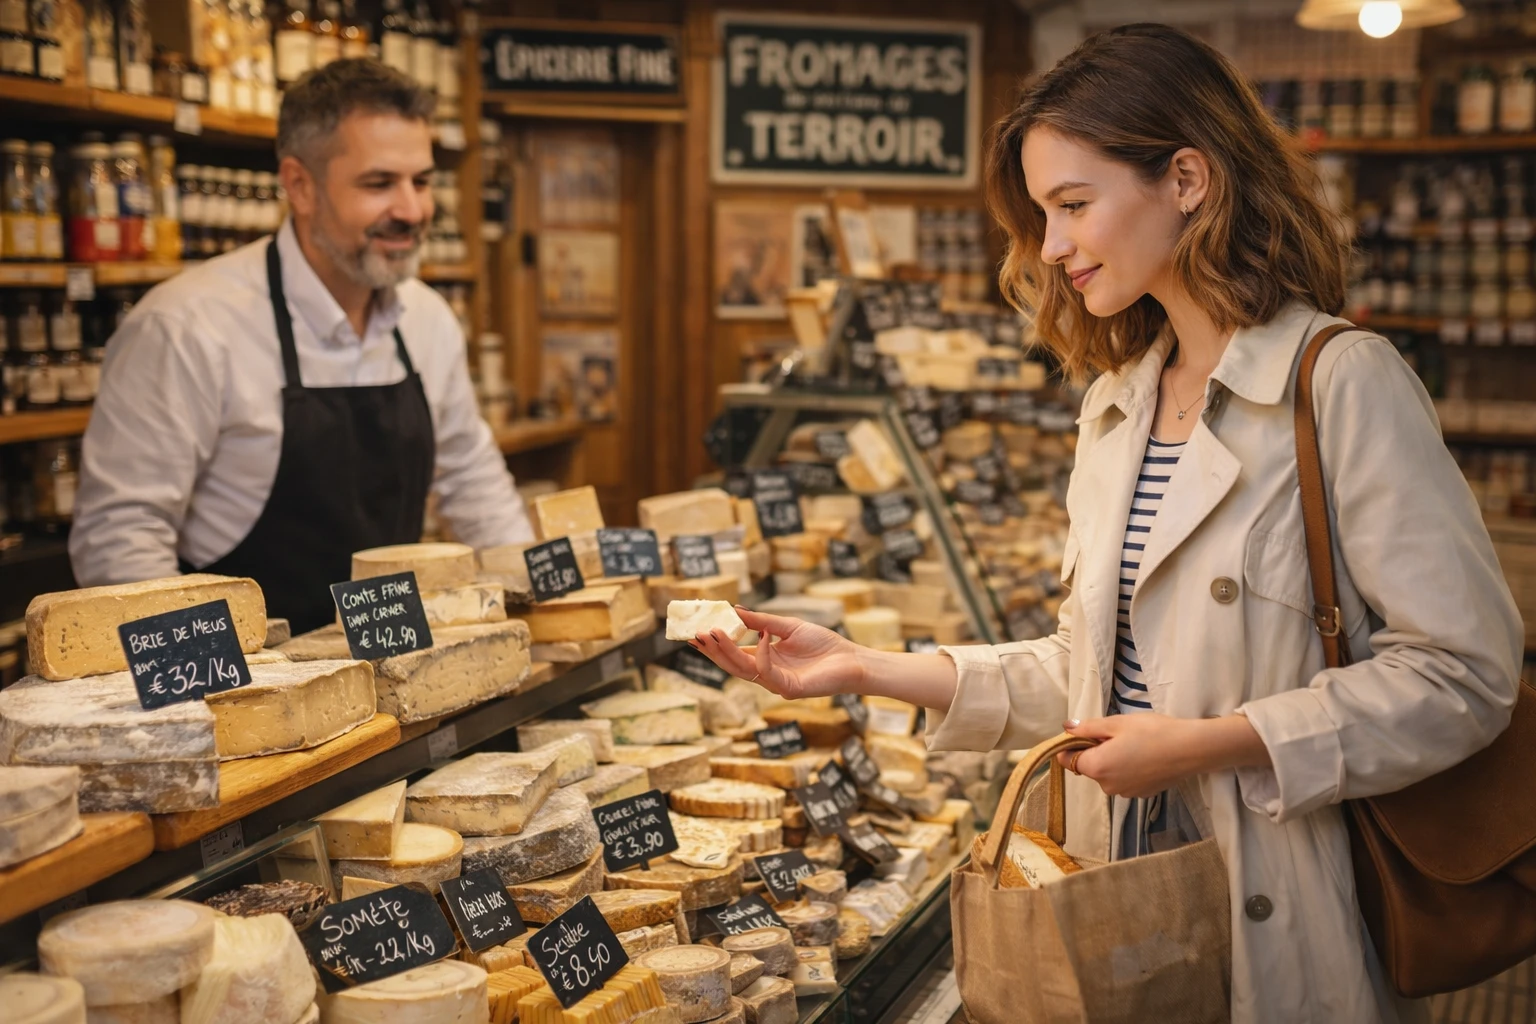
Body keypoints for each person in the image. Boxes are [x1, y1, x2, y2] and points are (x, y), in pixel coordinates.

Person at [688, 24, 1524, 1024]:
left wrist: (1212, 743)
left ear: (1186, 178)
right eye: (1043, 214)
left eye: (1073, 205)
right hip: (1118, 904)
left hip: (1282, 916)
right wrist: (866, 666)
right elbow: (1085, 670)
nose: (1051, 247)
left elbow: (1463, 674)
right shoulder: (1117, 403)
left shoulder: (1342, 382)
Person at [71, 59, 534, 633]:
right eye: (379, 183)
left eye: (422, 181)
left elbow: (473, 481)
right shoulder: (187, 326)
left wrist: (535, 600)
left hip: (393, 670)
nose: (413, 210)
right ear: (300, 185)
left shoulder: (427, 319)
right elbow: (121, 539)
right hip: (248, 687)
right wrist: (200, 689)